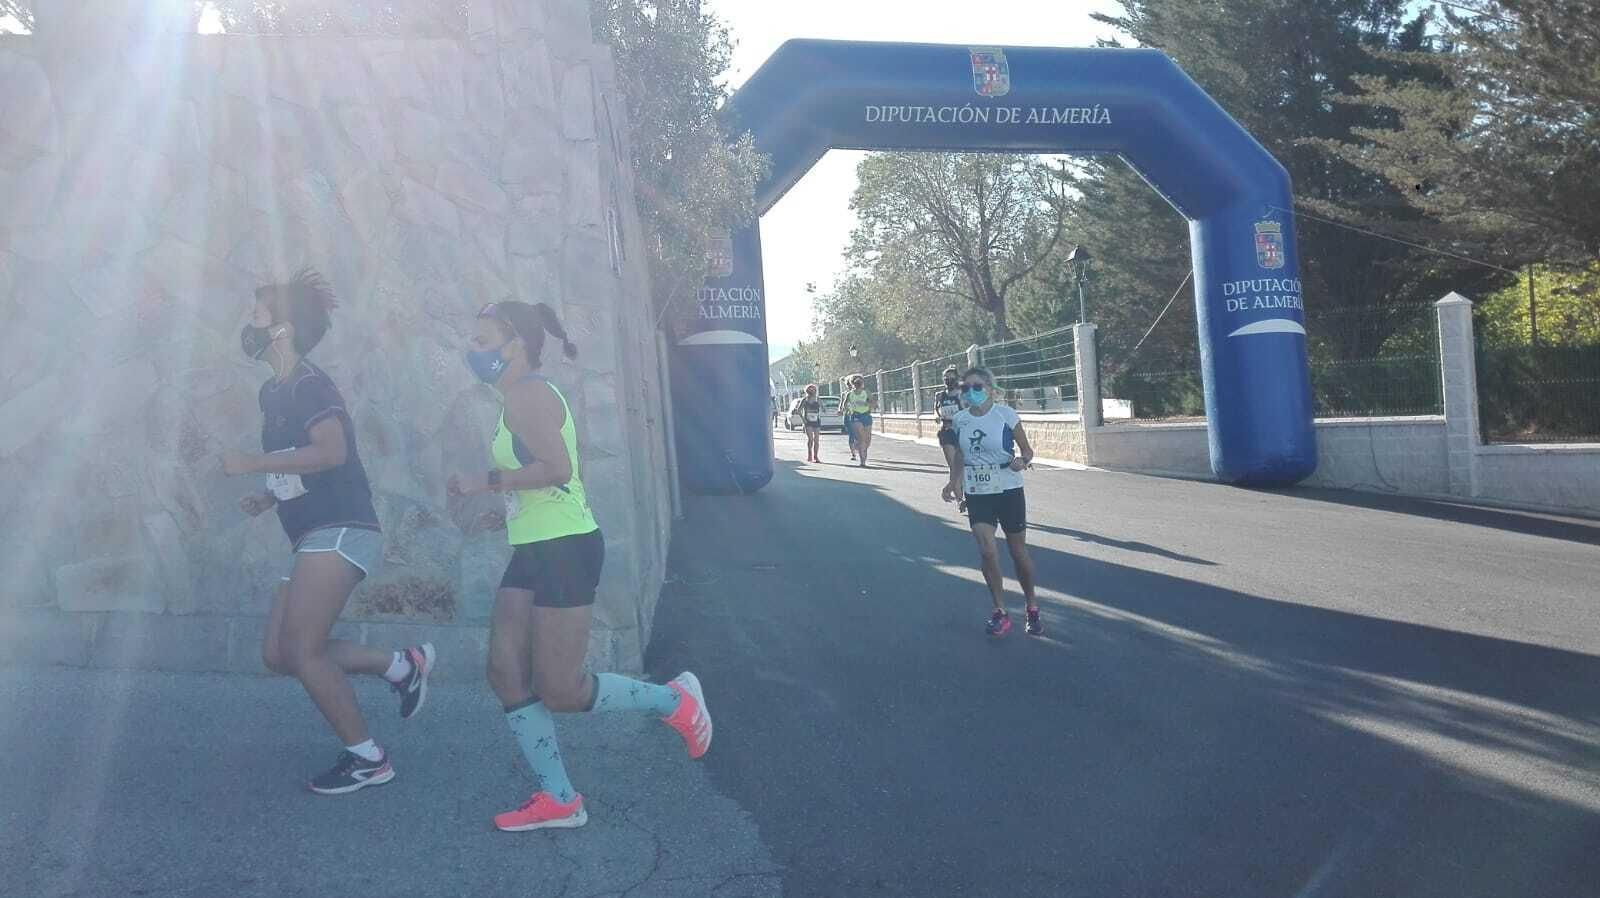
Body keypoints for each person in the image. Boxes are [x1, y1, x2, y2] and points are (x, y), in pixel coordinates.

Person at [449, 301, 712, 833]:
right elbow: (541, 479)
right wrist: (501, 511)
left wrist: (486, 482)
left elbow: (557, 469)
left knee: (561, 689)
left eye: (482, 341)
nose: (472, 352)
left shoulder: (528, 395)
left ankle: (674, 700)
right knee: (504, 671)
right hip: (537, 547)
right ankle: (560, 798)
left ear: (514, 345)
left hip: (566, 548)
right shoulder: (514, 398)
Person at [226, 269, 434, 795]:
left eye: (256, 317)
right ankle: (400, 666)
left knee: (303, 650)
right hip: (310, 532)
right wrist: (269, 494)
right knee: (280, 654)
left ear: (283, 330)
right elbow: (303, 463)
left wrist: (251, 460)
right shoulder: (272, 392)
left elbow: (332, 452)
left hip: (340, 530)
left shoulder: (308, 384)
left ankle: (368, 758)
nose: (247, 326)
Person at [940, 367, 1042, 638]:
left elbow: (1027, 450)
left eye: (977, 387)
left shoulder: (1005, 415)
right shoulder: (960, 420)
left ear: (990, 389)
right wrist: (954, 481)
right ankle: (1000, 611)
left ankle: (1031, 605)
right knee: (986, 549)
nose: (971, 392)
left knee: (1017, 551)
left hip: (1008, 488)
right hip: (978, 491)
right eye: (966, 388)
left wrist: (1023, 461)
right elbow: (960, 453)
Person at [933, 365, 965, 474]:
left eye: (951, 378)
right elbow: (936, 410)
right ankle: (957, 487)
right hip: (947, 431)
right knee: (953, 465)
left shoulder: (962, 394)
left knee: (963, 464)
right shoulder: (940, 395)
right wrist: (937, 417)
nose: (948, 381)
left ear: (957, 379)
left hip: (962, 431)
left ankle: (964, 486)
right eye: (946, 378)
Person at [843, 374, 875, 467]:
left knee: (867, 440)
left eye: (860, 381)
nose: (859, 383)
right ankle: (863, 462)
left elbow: (873, 403)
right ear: (853, 384)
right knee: (862, 439)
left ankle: (858, 447)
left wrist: (868, 404)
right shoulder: (850, 394)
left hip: (866, 416)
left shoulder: (867, 392)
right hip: (856, 416)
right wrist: (850, 410)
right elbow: (845, 405)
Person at [800, 384, 823, 463]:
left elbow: (823, 408)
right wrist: (803, 420)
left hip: (816, 421)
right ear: (807, 391)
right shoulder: (804, 400)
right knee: (811, 439)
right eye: (810, 390)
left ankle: (816, 456)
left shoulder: (818, 399)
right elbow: (799, 410)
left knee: (816, 439)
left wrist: (823, 408)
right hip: (808, 421)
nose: (812, 391)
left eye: (813, 389)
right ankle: (809, 453)